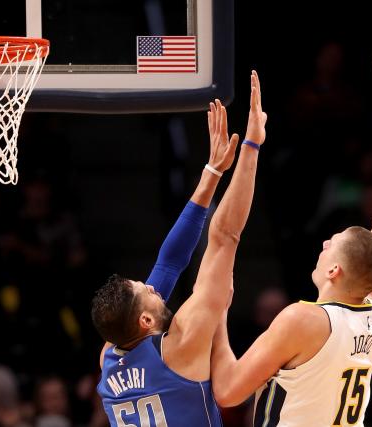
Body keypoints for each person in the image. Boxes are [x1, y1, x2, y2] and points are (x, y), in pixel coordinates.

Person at [211, 64, 372, 426]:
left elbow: (228, 391)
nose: (325, 242)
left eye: (333, 242)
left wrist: (215, 310)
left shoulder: (303, 320)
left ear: (335, 270)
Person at [90, 70, 267, 426]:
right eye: (146, 291)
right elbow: (225, 236)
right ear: (145, 320)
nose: (153, 286)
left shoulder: (110, 358)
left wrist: (212, 172)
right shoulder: (182, 342)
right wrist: (251, 145)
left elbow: (169, 264)